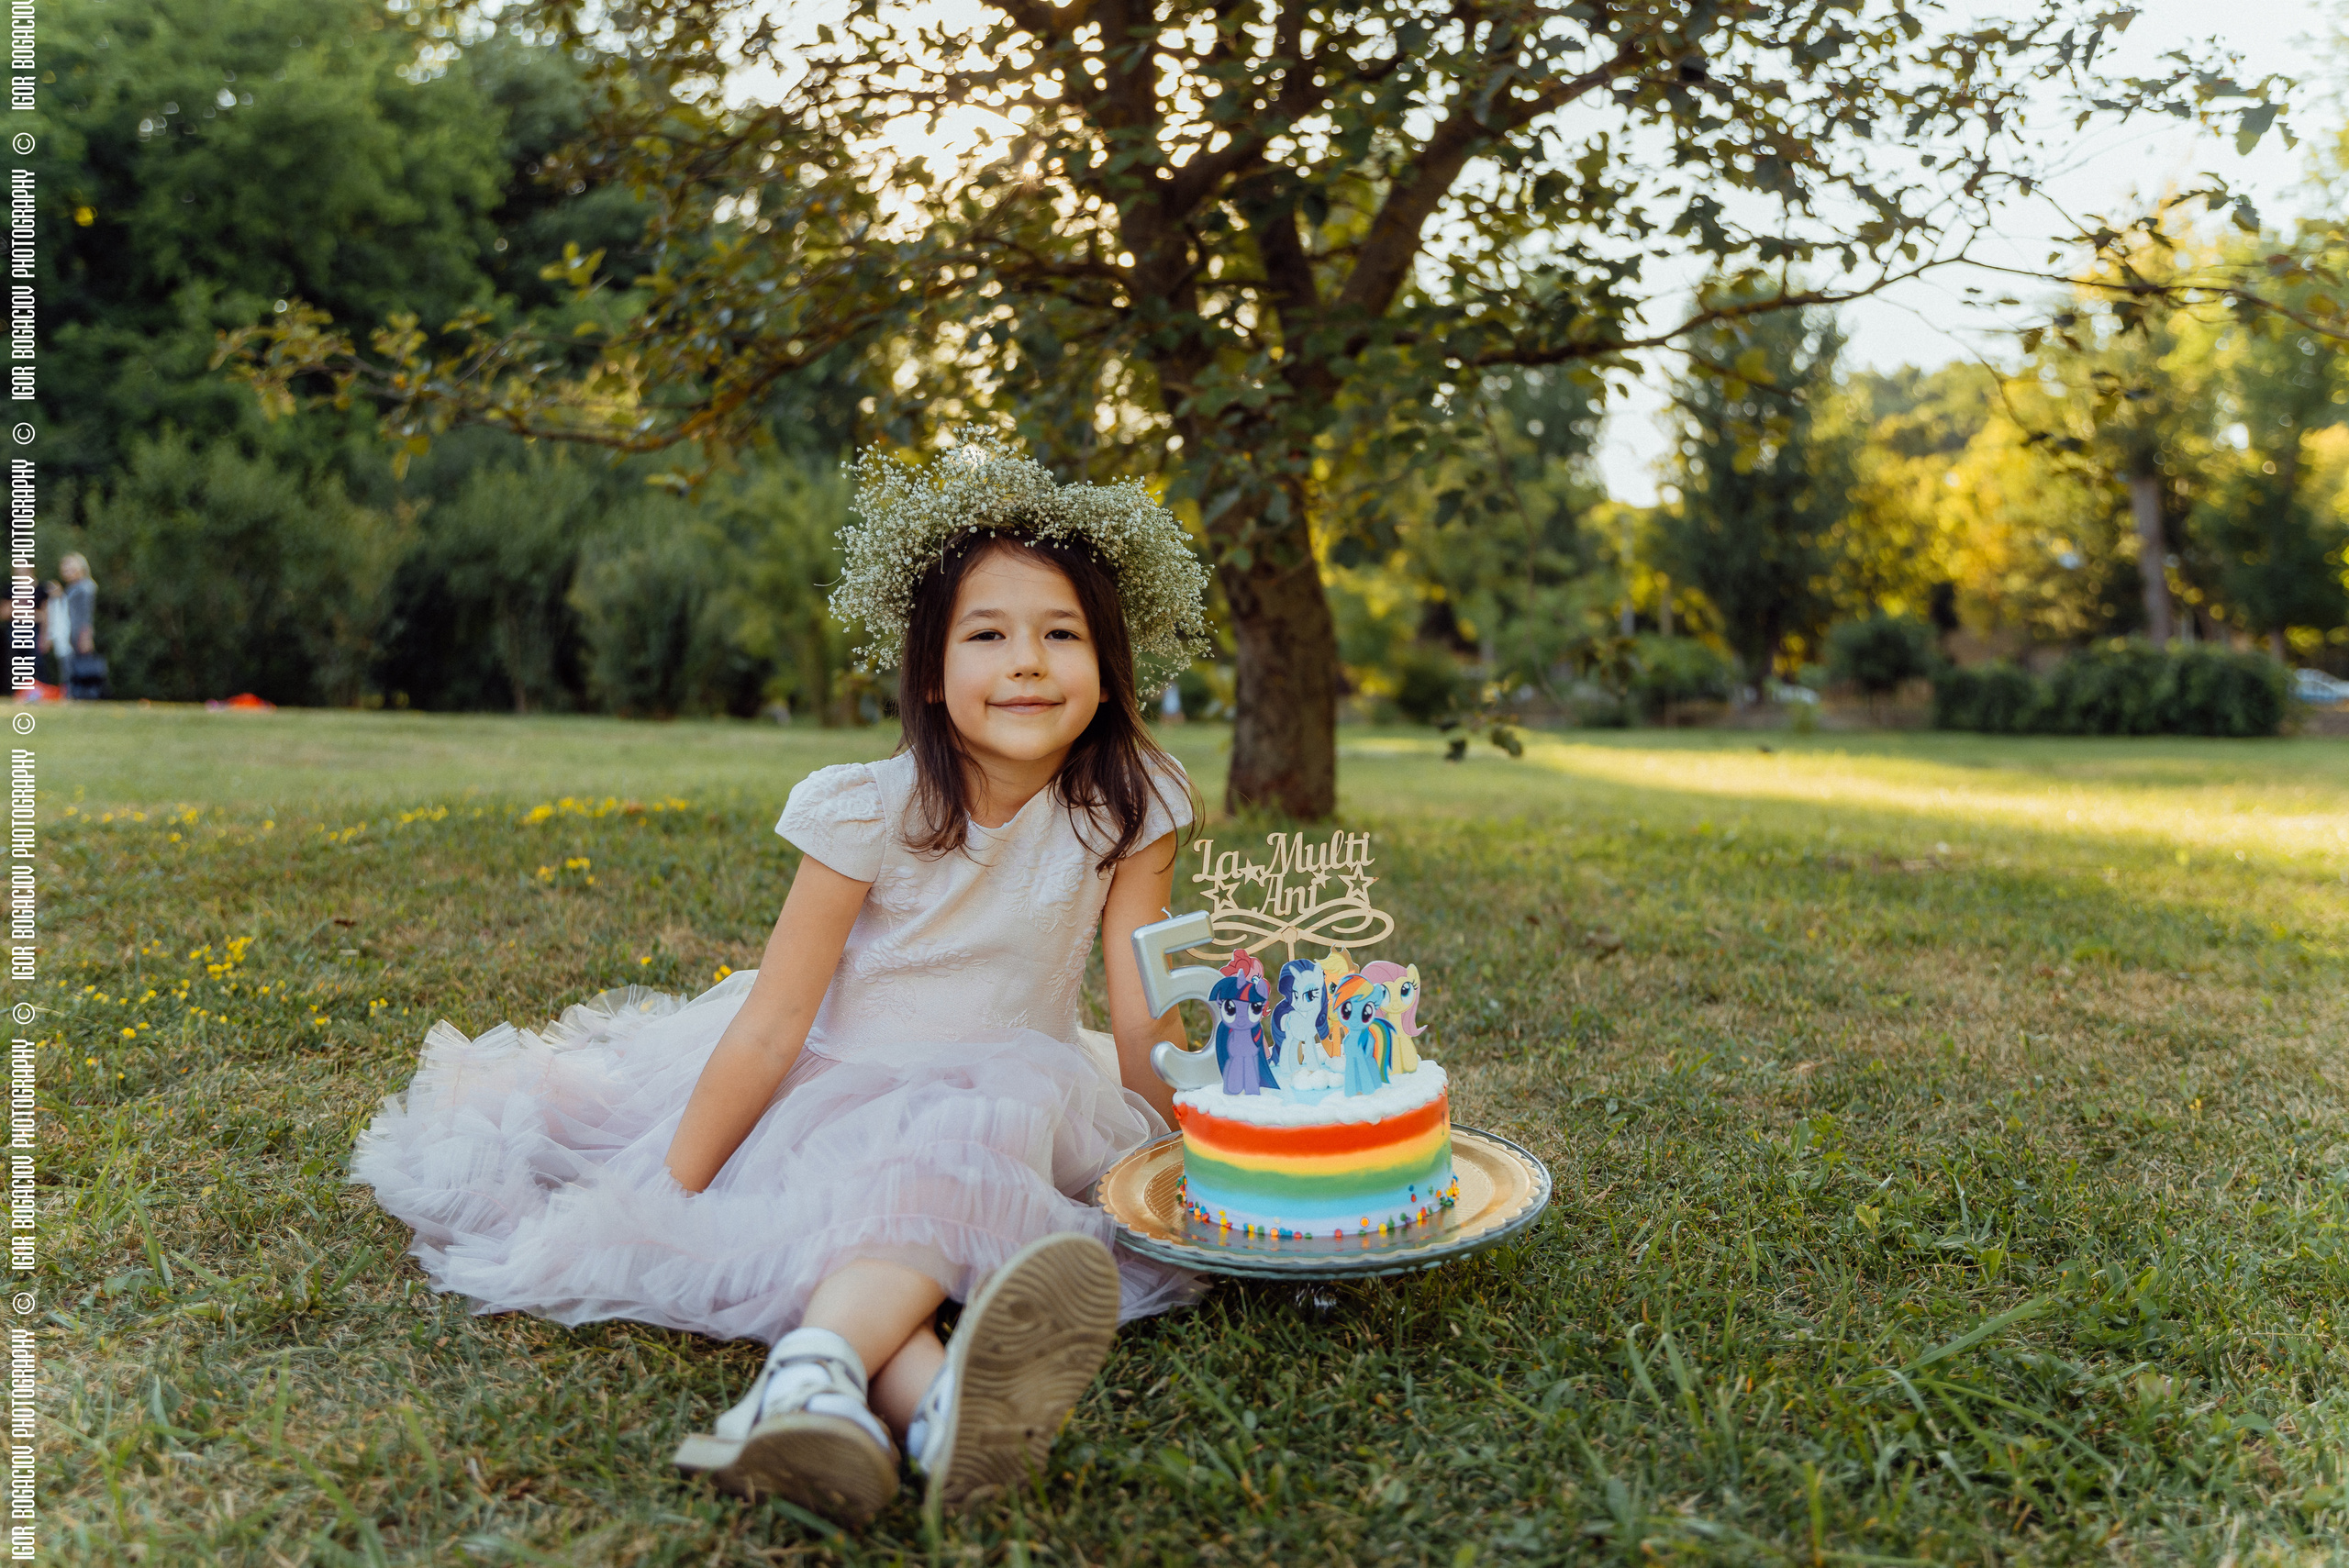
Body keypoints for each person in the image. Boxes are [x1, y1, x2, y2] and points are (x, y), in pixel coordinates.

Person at [351, 437, 1216, 1529]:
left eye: (1061, 634)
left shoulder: (1134, 798)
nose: (1028, 663)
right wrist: (672, 1187)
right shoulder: (867, 806)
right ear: (931, 671)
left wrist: (1178, 1150)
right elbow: (772, 1021)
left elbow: (1141, 998)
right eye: (987, 635)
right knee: (907, 1190)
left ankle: (885, 1397)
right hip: (831, 1081)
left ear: (1110, 660)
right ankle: (853, 1382)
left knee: (911, 1195)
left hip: (1026, 1075)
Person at [58, 554, 103, 700]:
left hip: (80, 632)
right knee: (71, 665)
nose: (67, 571)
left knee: (83, 666)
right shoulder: (72, 588)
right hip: (70, 631)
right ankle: (72, 694)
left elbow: (86, 615)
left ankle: (86, 695)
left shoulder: (85, 587)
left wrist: (85, 635)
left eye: (70, 567)